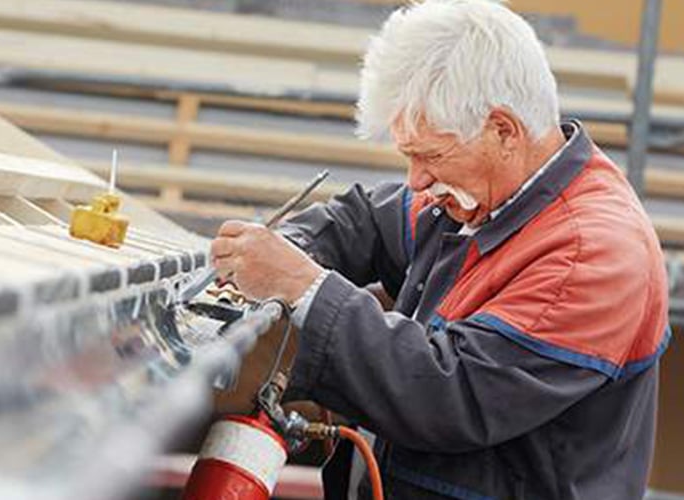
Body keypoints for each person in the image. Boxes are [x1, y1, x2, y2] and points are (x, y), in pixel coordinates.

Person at [210, 0, 671, 498]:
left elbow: (451, 394)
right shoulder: (477, 197)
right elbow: (364, 221)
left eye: (429, 155)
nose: (417, 181)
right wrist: (286, 249)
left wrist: (303, 286)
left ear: (503, 130)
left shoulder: (593, 253)